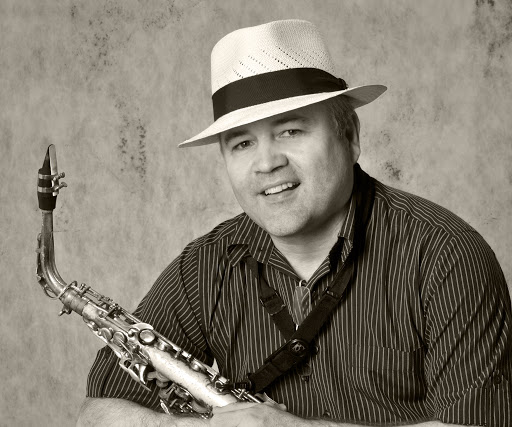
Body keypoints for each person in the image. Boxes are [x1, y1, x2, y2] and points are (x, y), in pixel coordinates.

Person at [77, 20, 511, 427]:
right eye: (242, 143)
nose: (267, 163)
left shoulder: (446, 255)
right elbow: (95, 414)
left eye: (291, 131)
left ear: (350, 135)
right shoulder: (204, 266)